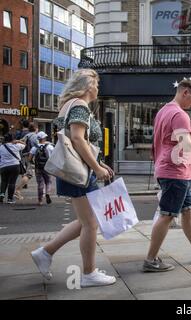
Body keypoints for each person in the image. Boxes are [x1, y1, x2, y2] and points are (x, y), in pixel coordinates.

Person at [30, 69, 117, 288]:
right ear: (88, 85)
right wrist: (96, 167)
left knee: (87, 221)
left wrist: (98, 163)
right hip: (80, 174)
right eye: (96, 84)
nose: (98, 88)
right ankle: (88, 273)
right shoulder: (79, 105)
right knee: (91, 223)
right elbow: (77, 138)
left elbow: (80, 142)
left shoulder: (69, 106)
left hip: (79, 171)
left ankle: (45, 252)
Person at [142, 79, 191, 272]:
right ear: (184, 92)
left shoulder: (163, 111)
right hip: (175, 172)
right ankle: (150, 260)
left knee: (187, 211)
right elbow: (185, 145)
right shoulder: (180, 115)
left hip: (171, 170)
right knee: (167, 215)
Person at [29, 131, 54, 205]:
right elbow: (54, 156)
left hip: (38, 168)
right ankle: (47, 193)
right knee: (48, 182)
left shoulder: (34, 147)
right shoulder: (50, 147)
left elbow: (29, 158)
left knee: (40, 184)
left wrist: (33, 162)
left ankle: (40, 201)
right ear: (44, 138)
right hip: (48, 168)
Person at [15, 122, 39, 200]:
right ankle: (17, 190)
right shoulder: (35, 136)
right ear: (35, 129)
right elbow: (38, 146)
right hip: (31, 156)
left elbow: (19, 141)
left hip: (24, 156)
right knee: (29, 174)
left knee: (27, 173)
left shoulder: (27, 135)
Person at [0, 133, 25, 204]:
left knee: (4, 181)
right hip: (14, 165)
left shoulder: (1, 147)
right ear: (12, 139)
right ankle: (9, 199)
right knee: (12, 182)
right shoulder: (17, 146)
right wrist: (18, 141)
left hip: (3, 166)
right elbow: (25, 145)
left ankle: (1, 196)